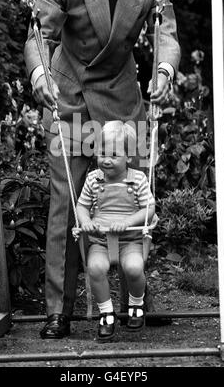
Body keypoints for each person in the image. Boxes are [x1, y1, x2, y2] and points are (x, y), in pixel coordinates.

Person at [24, 0, 181, 339]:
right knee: (67, 205)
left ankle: (136, 300)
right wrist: (41, 75)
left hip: (122, 102)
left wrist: (164, 70)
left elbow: (167, 34)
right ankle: (59, 310)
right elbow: (39, 32)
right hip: (70, 98)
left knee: (130, 194)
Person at [76, 121, 156, 341]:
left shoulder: (137, 179)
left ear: (129, 157)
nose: (106, 159)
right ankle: (106, 313)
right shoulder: (94, 179)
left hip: (130, 240)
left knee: (133, 267)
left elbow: (149, 210)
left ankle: (136, 304)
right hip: (101, 240)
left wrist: (129, 221)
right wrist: (85, 221)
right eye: (102, 153)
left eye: (113, 154)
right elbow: (82, 206)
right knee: (95, 268)